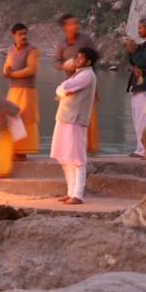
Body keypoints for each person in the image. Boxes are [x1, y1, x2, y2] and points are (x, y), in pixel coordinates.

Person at [50, 47, 98, 205]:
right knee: (63, 156)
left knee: (77, 158)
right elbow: (62, 89)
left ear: (88, 62)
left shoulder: (86, 75)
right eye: (77, 57)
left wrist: (62, 91)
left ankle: (78, 195)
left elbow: (63, 87)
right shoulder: (79, 74)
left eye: (80, 58)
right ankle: (70, 192)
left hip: (75, 119)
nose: (77, 60)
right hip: (66, 117)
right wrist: (63, 91)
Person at [53, 13, 100, 153]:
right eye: (70, 24)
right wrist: (65, 66)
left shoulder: (85, 39)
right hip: (71, 83)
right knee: (68, 116)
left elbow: (95, 57)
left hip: (86, 82)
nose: (74, 26)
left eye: (75, 23)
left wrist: (95, 88)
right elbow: (55, 61)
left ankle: (87, 148)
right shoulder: (62, 44)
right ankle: (70, 148)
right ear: (64, 27)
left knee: (86, 115)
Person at [2, 23, 39, 161]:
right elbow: (6, 66)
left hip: (27, 90)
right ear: (14, 35)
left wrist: (12, 74)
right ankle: (13, 150)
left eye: (25, 33)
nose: (23, 36)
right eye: (20, 34)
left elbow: (31, 69)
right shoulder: (11, 50)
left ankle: (23, 152)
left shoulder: (32, 50)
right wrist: (6, 71)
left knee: (25, 119)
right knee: (12, 118)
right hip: (13, 90)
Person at [125, 18, 146, 158]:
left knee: (143, 120)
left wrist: (134, 51)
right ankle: (140, 149)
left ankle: (144, 150)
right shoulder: (142, 44)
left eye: (141, 28)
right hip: (137, 86)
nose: (138, 30)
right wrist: (131, 51)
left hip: (145, 87)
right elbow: (134, 62)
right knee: (137, 121)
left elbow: (143, 62)